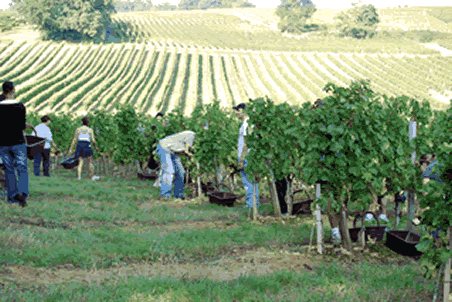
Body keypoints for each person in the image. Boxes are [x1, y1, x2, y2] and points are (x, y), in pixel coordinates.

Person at [0, 81, 33, 207]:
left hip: (3, 143)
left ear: (3, 91)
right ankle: (23, 193)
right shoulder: (20, 106)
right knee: (22, 168)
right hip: (17, 141)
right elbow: (21, 126)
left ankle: (12, 196)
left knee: (9, 169)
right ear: (13, 90)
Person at [234, 103, 261, 213]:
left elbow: (246, 143)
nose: (236, 113)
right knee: (251, 181)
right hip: (248, 156)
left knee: (248, 181)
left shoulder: (246, 125)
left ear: (243, 111)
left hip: (246, 157)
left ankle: (251, 204)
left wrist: (241, 158)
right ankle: (254, 203)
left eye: (238, 110)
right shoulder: (247, 124)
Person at [156, 130, 196, 200]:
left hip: (173, 151)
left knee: (181, 171)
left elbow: (181, 151)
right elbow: (186, 151)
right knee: (168, 170)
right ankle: (165, 195)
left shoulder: (192, 139)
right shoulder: (191, 135)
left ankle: (178, 195)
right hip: (164, 147)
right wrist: (193, 157)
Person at [68, 117, 100, 181]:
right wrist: (96, 146)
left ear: (82, 122)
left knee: (80, 161)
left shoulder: (78, 129)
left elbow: (74, 140)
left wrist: (71, 149)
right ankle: (92, 176)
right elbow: (93, 140)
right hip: (87, 145)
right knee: (90, 161)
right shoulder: (90, 130)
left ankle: (79, 177)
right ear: (88, 123)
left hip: (80, 144)